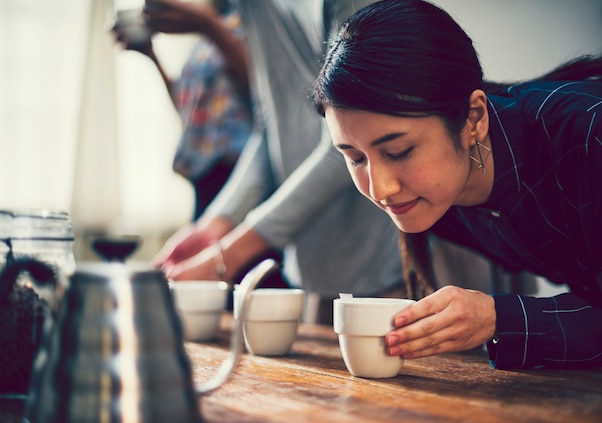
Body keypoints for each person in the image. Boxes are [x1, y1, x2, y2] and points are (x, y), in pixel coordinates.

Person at [312, 0, 602, 368]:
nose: (381, 188)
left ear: (475, 118)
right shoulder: (437, 200)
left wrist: (497, 317)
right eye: (355, 158)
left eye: (399, 151)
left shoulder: (589, 135)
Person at [152, 0, 405, 324]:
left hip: (381, 264)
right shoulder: (252, 8)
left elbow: (346, 145)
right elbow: (268, 129)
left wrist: (228, 256)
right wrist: (214, 226)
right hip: (312, 264)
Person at [112, 0, 251, 219]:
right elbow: (190, 109)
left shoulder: (250, 26)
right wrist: (150, 54)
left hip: (239, 173)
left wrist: (209, 25)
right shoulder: (206, 39)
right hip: (205, 174)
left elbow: (261, 90)